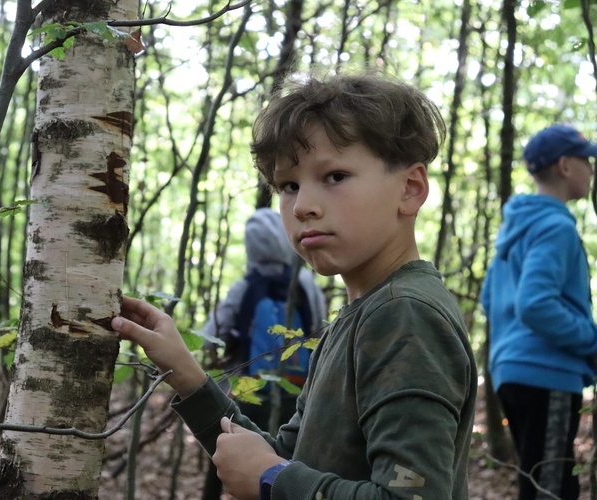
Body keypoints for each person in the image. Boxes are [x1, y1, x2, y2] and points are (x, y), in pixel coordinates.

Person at [112, 73, 477, 499]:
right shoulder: (361, 315)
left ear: (410, 189)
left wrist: (273, 480)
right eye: (288, 185)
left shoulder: (404, 313)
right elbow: (284, 456)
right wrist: (187, 375)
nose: (303, 206)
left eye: (336, 176)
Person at [481, 124, 597, 499]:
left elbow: (489, 299)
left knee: (542, 480)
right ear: (565, 166)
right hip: (547, 372)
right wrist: (590, 340)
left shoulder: (515, 228)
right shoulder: (556, 227)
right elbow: (534, 303)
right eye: (587, 160)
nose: (591, 169)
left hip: (511, 371)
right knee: (551, 488)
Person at [200, 207, 327, 500]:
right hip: (296, 398)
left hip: (248, 395)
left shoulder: (244, 288)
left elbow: (209, 339)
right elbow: (321, 337)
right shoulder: (306, 285)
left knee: (225, 459)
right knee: (283, 469)